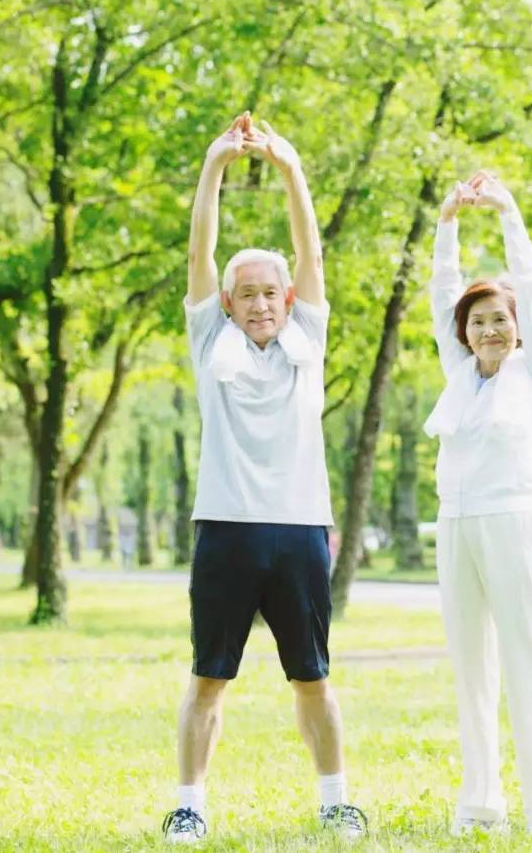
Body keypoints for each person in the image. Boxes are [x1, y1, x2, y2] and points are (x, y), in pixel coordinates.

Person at [160, 113, 366, 843]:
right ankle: (189, 803)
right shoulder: (210, 339)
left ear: (287, 297)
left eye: (269, 291)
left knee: (311, 678)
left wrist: (290, 168)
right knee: (209, 677)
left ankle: (336, 799)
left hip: (300, 529)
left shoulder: (306, 336)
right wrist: (215, 164)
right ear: (226, 302)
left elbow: (309, 250)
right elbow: (199, 250)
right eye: (244, 292)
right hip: (225, 529)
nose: (259, 302)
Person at [424, 171, 532, 837]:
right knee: (472, 669)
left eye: (498, 320)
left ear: (516, 330)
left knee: (528, 660)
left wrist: (509, 209)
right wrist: (448, 223)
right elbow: (438, 296)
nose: (488, 328)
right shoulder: (458, 376)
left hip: (513, 521)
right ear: (466, 332)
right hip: (455, 527)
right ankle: (481, 804)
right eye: (477, 320)